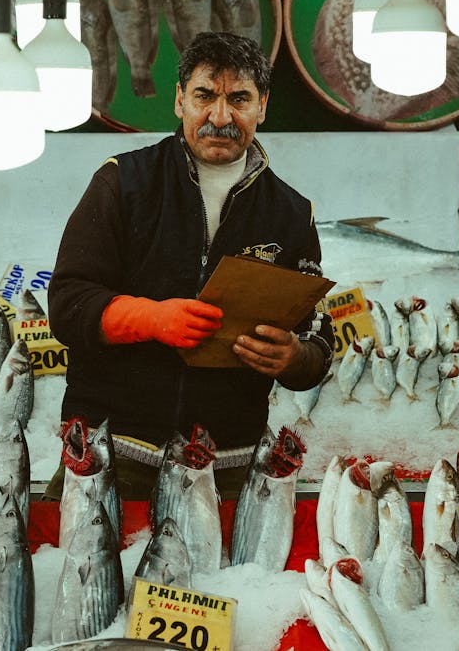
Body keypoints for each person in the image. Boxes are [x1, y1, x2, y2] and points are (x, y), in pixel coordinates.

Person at [47, 31, 334, 499]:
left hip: (228, 470)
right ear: (180, 100)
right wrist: (150, 318)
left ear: (262, 106)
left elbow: (317, 334)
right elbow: (67, 304)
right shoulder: (122, 181)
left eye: (239, 99)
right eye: (205, 96)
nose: (220, 117)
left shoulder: (291, 213)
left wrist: (295, 357)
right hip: (110, 460)